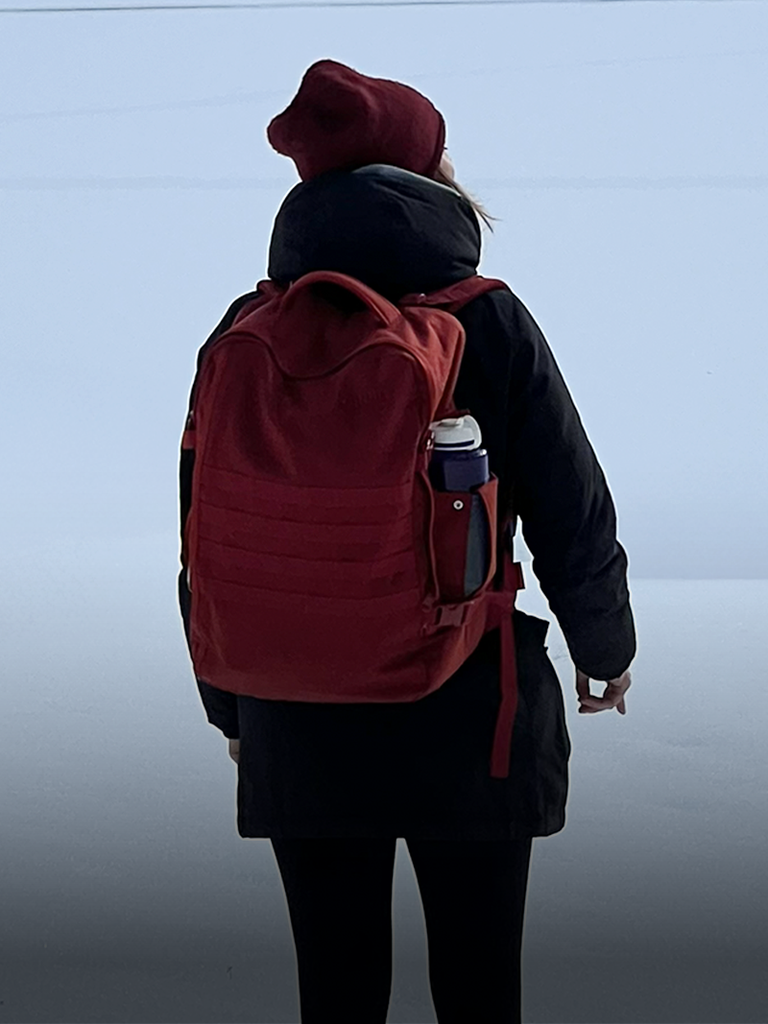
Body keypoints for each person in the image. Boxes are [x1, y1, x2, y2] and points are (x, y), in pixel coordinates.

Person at [178, 59, 635, 1024]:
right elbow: (570, 504)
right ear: (432, 175)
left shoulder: (245, 331)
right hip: (469, 705)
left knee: (336, 993)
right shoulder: (487, 318)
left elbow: (206, 531)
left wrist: (230, 702)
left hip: (294, 709)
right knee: (479, 989)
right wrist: (605, 648)